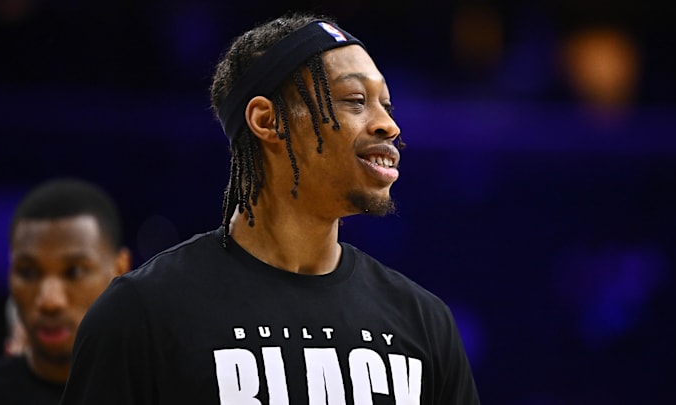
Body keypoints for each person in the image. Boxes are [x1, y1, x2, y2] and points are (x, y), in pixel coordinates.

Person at [60, 11, 480, 404]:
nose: (389, 125)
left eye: (386, 104)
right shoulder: (141, 315)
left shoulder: (424, 323)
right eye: (355, 100)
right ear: (267, 120)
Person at [0, 178, 131, 404]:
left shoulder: (167, 388)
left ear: (120, 269)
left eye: (74, 271)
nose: (50, 301)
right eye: (28, 272)